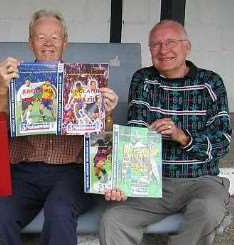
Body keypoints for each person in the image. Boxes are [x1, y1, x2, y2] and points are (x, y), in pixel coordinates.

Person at [0, 9, 119, 245]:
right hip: (22, 171)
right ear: (30, 43)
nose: (48, 44)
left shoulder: (86, 80)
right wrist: (2, 89)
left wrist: (108, 113)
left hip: (71, 172)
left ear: (65, 43)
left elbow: (102, 140)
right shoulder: (16, 78)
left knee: (59, 211)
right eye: (41, 37)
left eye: (55, 37)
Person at [99, 20, 232, 245]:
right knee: (114, 220)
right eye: (156, 45)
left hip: (201, 180)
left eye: (171, 42)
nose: (163, 50)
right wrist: (124, 176)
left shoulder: (210, 83)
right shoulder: (143, 79)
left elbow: (224, 141)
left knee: (208, 210)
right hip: (153, 182)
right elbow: (136, 128)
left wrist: (183, 137)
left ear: (186, 47)